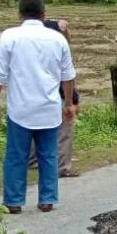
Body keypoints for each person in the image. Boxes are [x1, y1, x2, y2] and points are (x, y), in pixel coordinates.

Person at [0, 0, 76, 213]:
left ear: (20, 15)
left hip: (20, 109)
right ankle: (47, 199)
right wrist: (69, 104)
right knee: (48, 154)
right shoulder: (58, 39)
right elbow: (68, 76)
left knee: (16, 155)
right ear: (44, 16)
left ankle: (14, 201)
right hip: (49, 108)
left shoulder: (10, 37)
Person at [28, 18, 81, 178]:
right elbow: (67, 79)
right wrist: (72, 101)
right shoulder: (58, 52)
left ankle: (32, 161)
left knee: (35, 128)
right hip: (57, 96)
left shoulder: (34, 51)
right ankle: (62, 167)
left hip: (35, 95)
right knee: (65, 131)